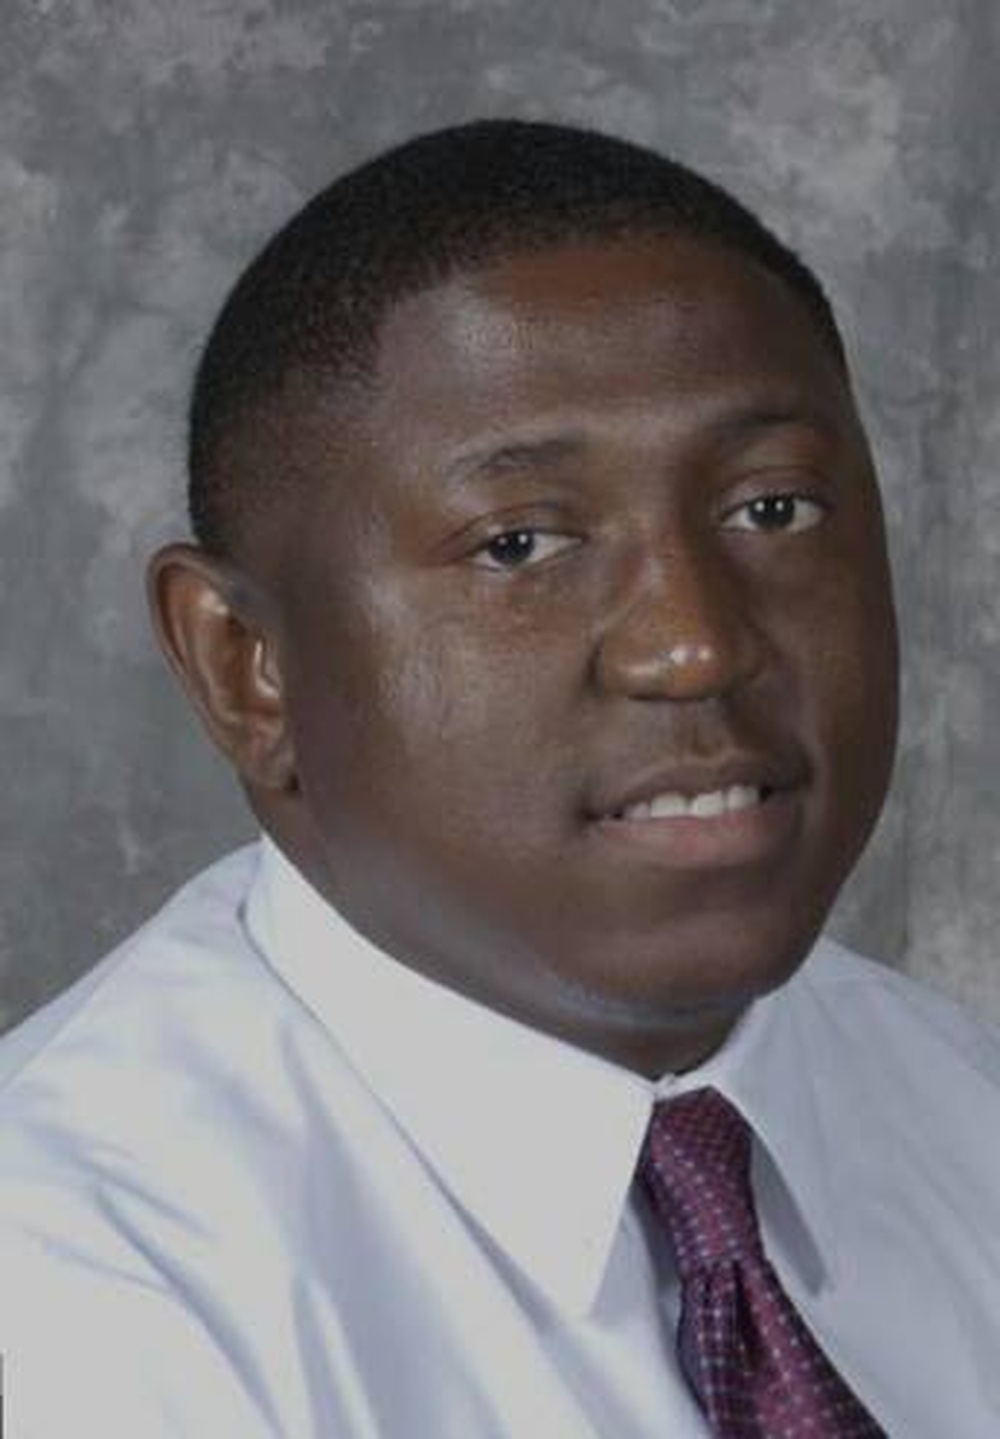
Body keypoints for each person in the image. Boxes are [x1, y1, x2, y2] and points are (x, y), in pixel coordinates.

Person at [0, 118, 996, 1438]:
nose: (695, 644)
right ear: (249, 667)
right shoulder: (76, 1298)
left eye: (773, 509)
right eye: (519, 544)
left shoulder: (961, 1103)